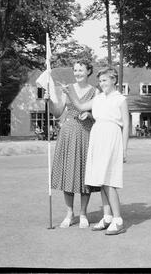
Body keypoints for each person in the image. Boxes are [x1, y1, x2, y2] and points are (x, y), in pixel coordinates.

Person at [62, 66, 129, 235]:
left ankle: (118, 220)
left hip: (112, 137)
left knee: (109, 180)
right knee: (100, 179)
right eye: (100, 81)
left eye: (105, 80)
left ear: (114, 80)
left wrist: (125, 149)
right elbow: (79, 105)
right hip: (97, 136)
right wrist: (69, 92)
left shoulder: (120, 99)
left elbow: (127, 125)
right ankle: (107, 217)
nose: (102, 83)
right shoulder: (98, 98)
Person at [46, 59, 99, 229]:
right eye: (75, 70)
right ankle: (70, 213)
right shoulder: (67, 89)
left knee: (85, 175)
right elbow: (57, 112)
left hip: (86, 134)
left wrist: (90, 115)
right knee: (68, 173)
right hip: (68, 133)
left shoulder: (95, 91)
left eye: (81, 70)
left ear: (88, 71)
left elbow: (99, 115)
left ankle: (83, 213)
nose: (77, 73)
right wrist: (49, 101)